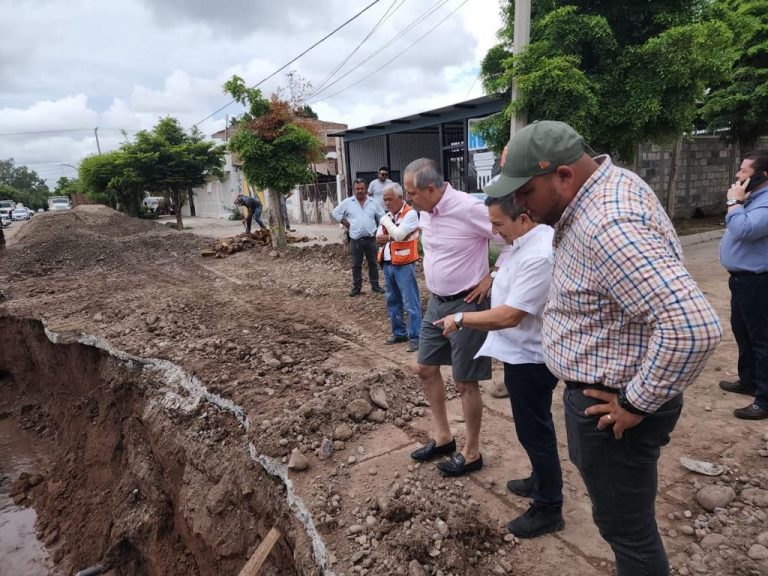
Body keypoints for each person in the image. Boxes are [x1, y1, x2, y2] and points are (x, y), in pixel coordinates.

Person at [484, 120, 722, 575]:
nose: (521, 207)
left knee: (627, 533)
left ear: (564, 176)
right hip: (607, 393)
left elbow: (693, 327)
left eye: (526, 194)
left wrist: (636, 402)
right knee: (626, 524)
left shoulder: (607, 224)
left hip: (612, 411)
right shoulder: (608, 185)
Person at [435, 194, 563, 538]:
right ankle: (539, 479)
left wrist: (462, 318)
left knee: (535, 432)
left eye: (497, 224)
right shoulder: (520, 243)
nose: (493, 231)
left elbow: (509, 315)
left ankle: (549, 506)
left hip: (531, 357)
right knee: (533, 427)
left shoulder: (539, 255)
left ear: (523, 218)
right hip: (518, 353)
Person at [404, 158, 495, 477]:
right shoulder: (425, 211)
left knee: (464, 380)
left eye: (411, 193)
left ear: (431, 189)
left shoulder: (469, 208)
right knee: (425, 368)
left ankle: (472, 453)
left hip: (467, 304)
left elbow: (514, 238)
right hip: (437, 304)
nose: (408, 200)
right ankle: (443, 437)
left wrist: (493, 275)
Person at [718, 150, 768, 420]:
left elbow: (746, 231)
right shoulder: (754, 198)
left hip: (758, 282)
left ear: (763, 175)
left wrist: (733, 203)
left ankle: (764, 399)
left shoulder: (766, 202)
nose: (738, 176)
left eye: (744, 172)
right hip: (742, 281)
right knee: (743, 332)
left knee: (761, 340)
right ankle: (748, 380)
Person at [376, 182, 422, 353]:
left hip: (404, 264)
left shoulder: (410, 214)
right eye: (384, 200)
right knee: (392, 301)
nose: (387, 203)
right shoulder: (389, 216)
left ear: (400, 198)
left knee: (411, 302)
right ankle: (399, 333)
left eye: (389, 199)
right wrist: (392, 234)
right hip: (388, 264)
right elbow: (379, 238)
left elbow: (399, 235)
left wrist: (386, 224)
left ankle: (416, 337)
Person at [332, 178, 385, 297]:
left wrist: (381, 230)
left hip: (371, 239)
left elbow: (382, 216)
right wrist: (345, 222)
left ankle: (375, 286)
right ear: (354, 189)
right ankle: (357, 287)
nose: (360, 191)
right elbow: (335, 213)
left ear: (366, 189)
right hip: (355, 240)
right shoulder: (347, 202)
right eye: (358, 189)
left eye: (362, 188)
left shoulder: (373, 202)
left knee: (373, 263)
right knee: (356, 264)